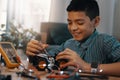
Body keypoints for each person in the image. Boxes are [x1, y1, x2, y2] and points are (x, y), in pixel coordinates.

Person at [26, 0, 120, 77]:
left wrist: (86, 66)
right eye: (70, 22)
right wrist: (34, 53)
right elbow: (46, 59)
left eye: (80, 23)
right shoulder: (68, 44)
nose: (73, 28)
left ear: (95, 21)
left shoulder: (105, 41)